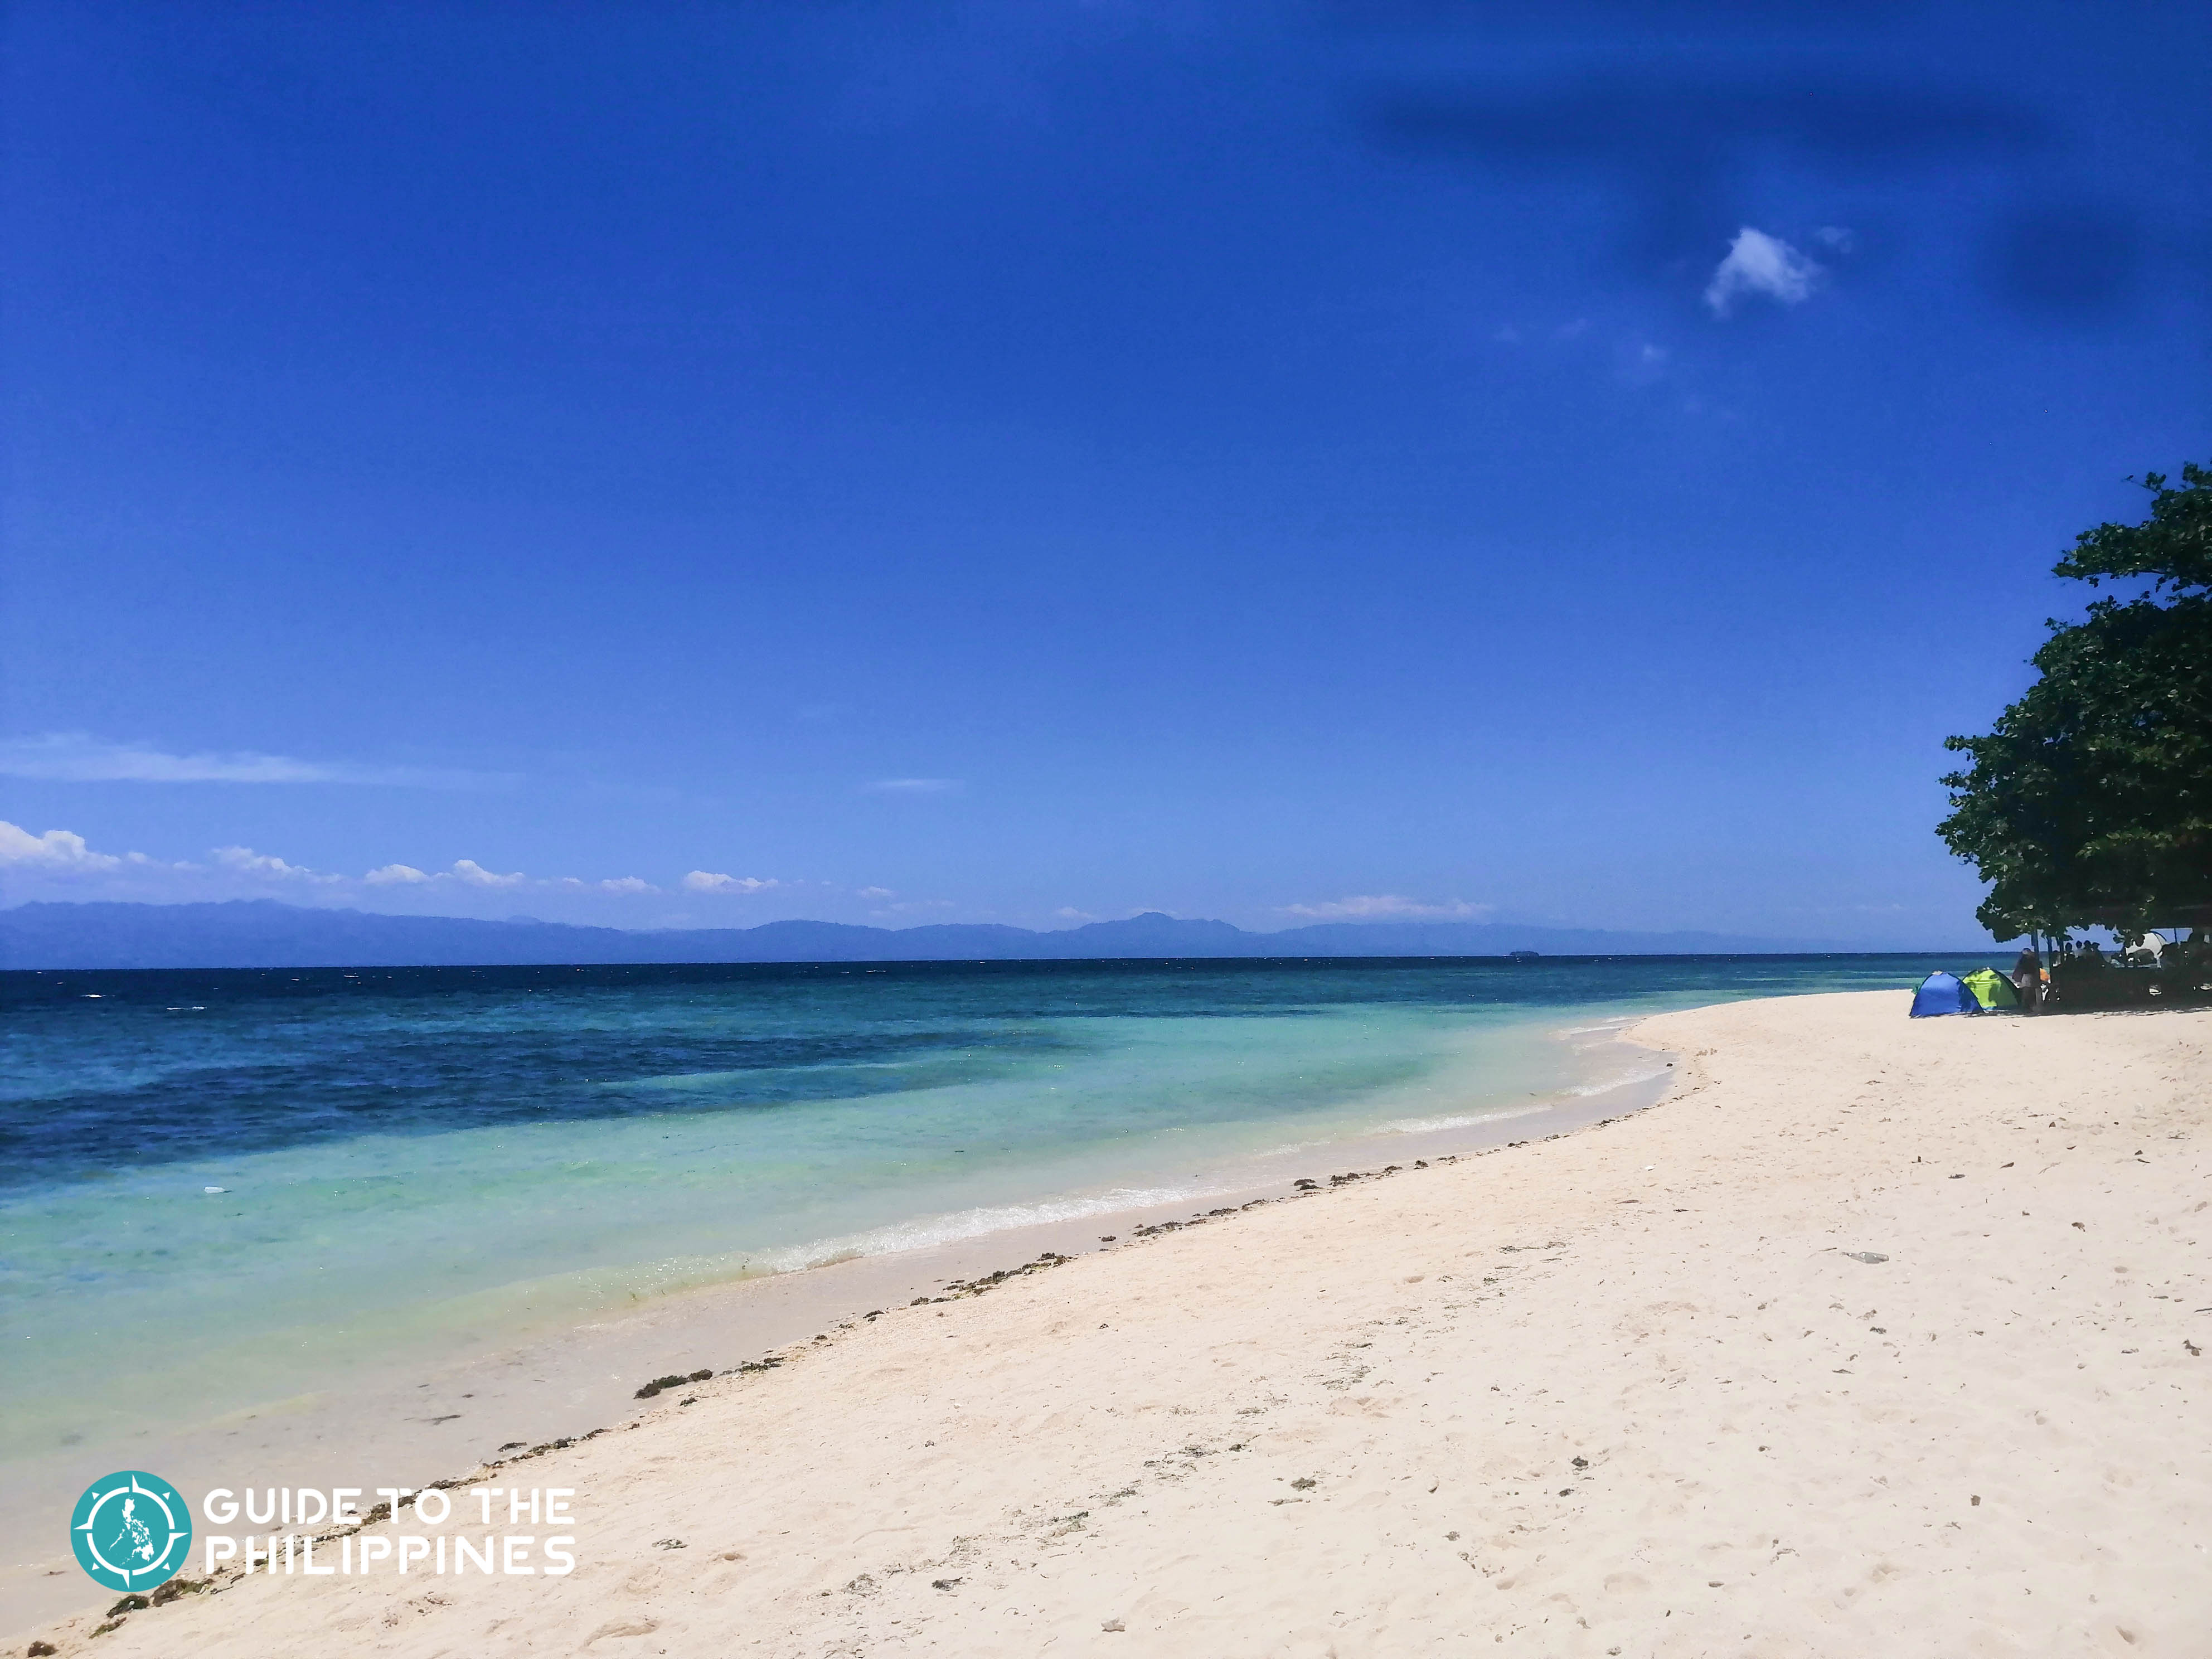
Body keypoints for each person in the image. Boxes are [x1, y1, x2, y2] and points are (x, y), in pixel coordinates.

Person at [2014, 943, 2043, 1014]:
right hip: (2030, 976)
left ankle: (2027, 1007)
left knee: (2027, 992)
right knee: (2030, 992)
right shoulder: (2031, 960)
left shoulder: (2023, 960)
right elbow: (2038, 966)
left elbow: (2020, 969)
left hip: (2027, 976)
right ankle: (2029, 1006)